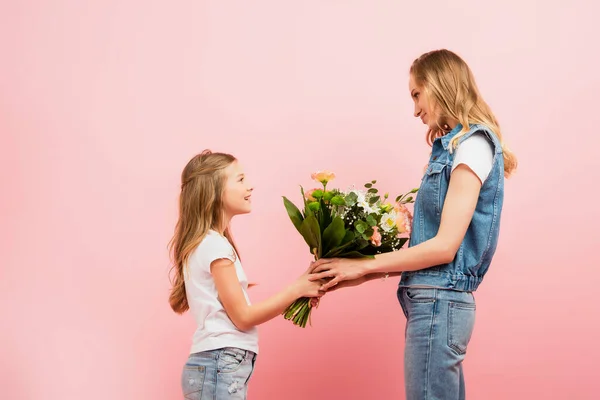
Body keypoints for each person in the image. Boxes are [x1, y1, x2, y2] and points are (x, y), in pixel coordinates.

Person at [310, 49, 518, 400]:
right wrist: (354, 274)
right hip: (435, 303)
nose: (415, 109)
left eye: (416, 94)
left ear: (437, 86)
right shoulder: (452, 148)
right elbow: (430, 252)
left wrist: (360, 264)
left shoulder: (472, 146)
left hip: (439, 306)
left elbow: (444, 248)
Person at [168, 150, 324, 399]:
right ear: (214, 190)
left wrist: (302, 289)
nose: (250, 186)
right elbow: (243, 317)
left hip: (217, 364)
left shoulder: (209, 243)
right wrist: (296, 288)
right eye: (240, 180)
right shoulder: (214, 246)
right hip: (220, 363)